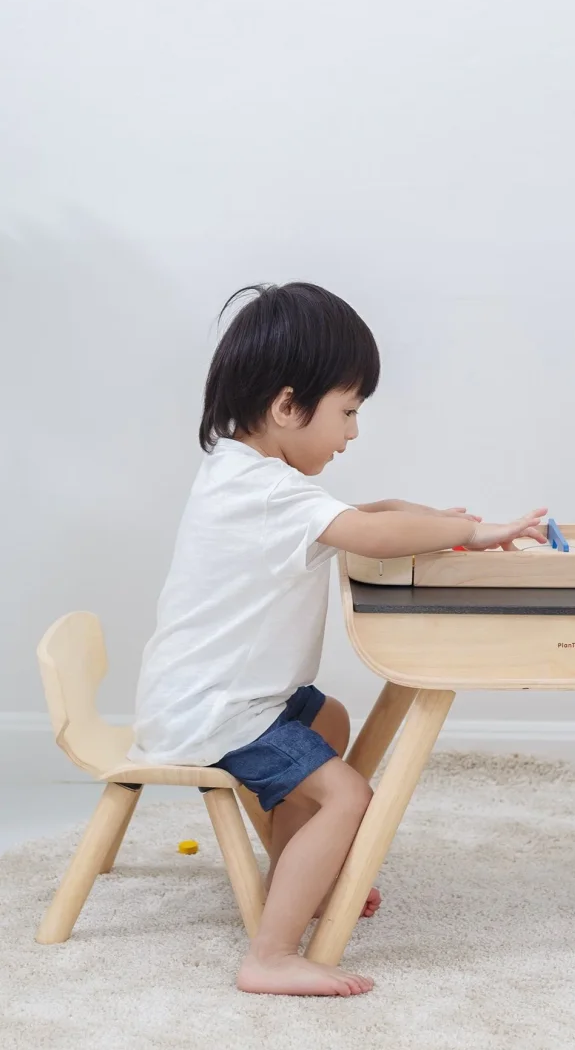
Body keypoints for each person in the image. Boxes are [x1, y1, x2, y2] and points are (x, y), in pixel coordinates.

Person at [131, 282, 545, 993]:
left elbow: (363, 515)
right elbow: (367, 530)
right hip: (217, 712)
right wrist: (470, 532)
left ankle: (299, 874)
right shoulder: (267, 492)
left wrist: (437, 523)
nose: (352, 433)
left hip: (217, 696)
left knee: (329, 719)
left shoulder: (246, 475)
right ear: (287, 406)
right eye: (347, 412)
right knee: (348, 797)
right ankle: (270, 956)